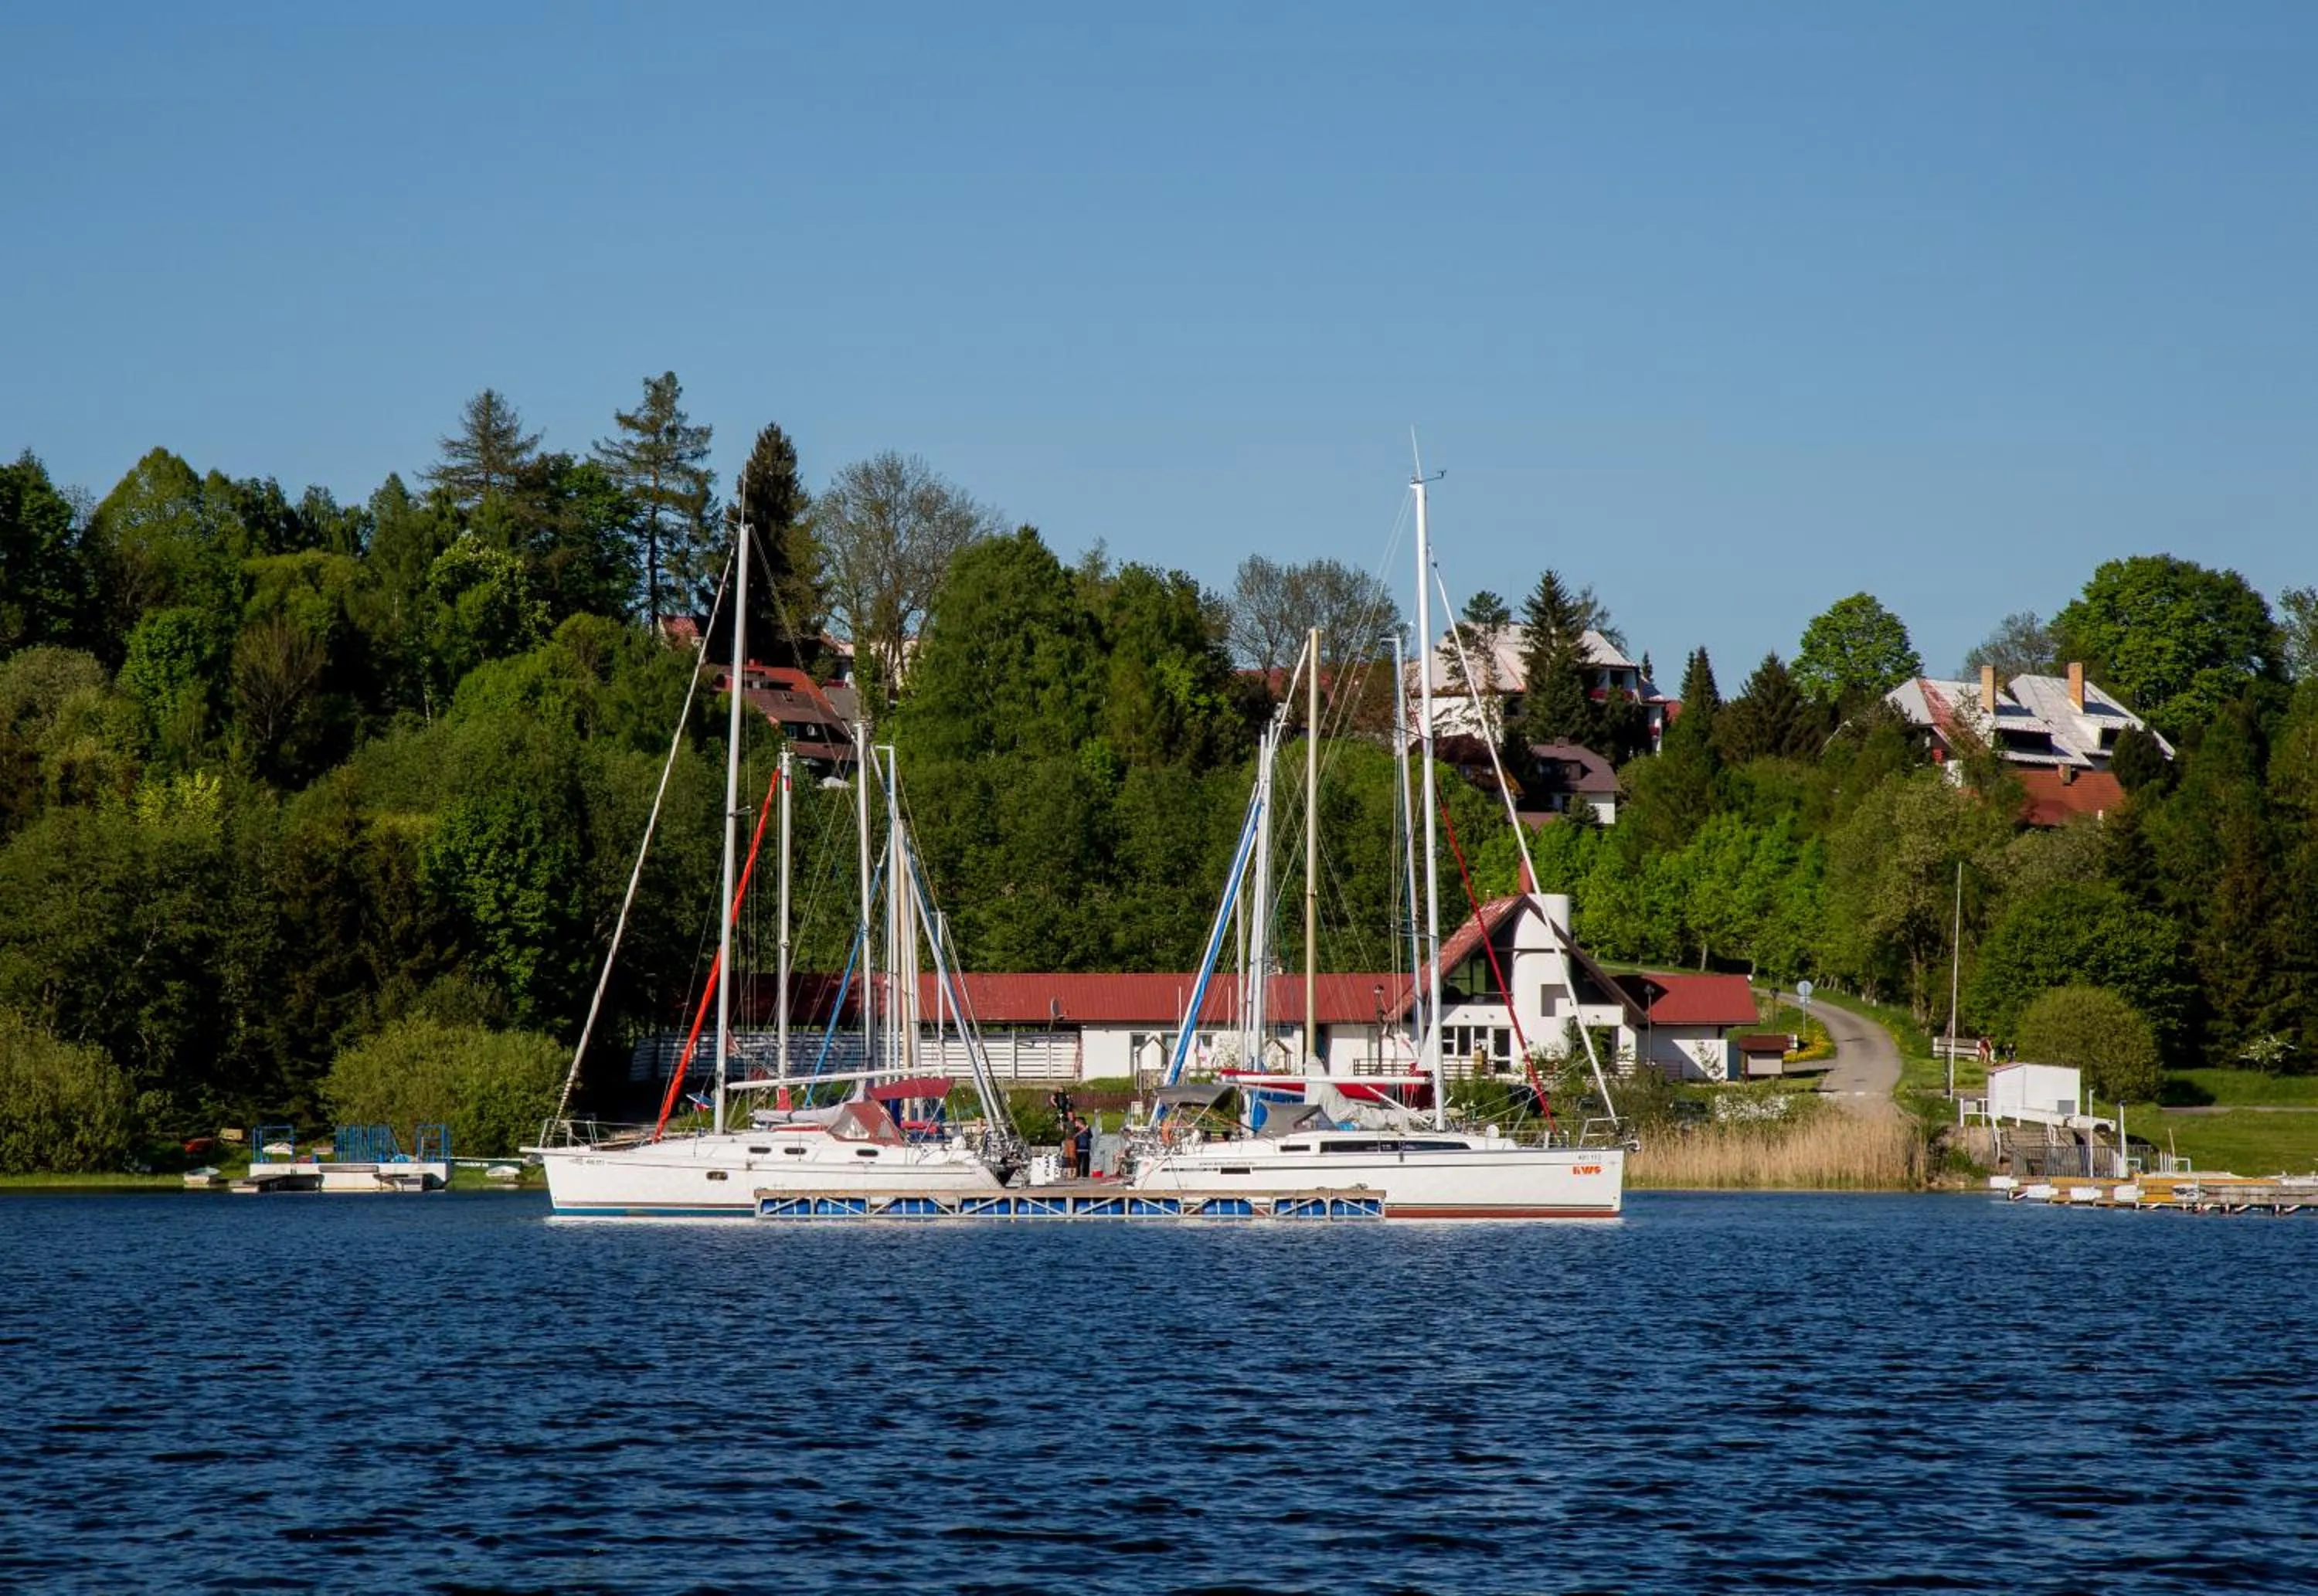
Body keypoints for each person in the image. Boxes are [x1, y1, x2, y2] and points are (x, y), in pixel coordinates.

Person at [1072, 1114, 1094, 1180]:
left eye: (1076, 1123)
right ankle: (1078, 1174)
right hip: (1078, 1148)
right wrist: (1082, 1130)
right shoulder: (1076, 1129)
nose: (1075, 1124)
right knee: (1078, 1162)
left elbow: (1091, 1136)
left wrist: (1086, 1130)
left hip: (1086, 1148)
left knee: (1086, 1162)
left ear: (1080, 1123)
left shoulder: (1087, 1129)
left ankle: (1085, 1175)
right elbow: (1074, 1136)